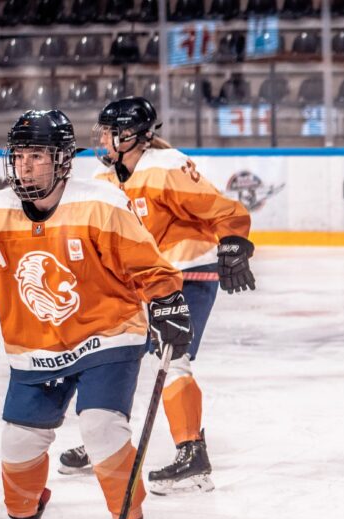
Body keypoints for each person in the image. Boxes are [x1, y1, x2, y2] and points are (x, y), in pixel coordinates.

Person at [0, 109, 190, 519]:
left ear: (63, 160)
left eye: (37, 156)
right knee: (18, 442)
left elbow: (148, 265)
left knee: (101, 427)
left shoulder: (102, 204)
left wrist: (167, 303)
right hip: (35, 346)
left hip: (107, 334)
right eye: (19, 156)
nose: (25, 167)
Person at [57, 97, 255, 495]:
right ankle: (107, 441)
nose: (104, 139)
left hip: (188, 278)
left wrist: (233, 242)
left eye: (110, 132)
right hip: (144, 282)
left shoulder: (166, 169)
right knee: (118, 354)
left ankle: (192, 457)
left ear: (131, 136)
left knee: (172, 359)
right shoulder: (105, 179)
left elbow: (221, 208)